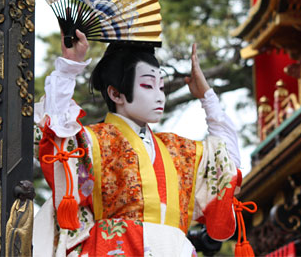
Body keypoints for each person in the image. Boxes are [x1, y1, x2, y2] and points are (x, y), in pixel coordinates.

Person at [33, 30, 242, 256]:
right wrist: (69, 67)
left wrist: (207, 97)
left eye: (161, 87)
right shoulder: (95, 141)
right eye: (147, 86)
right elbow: (56, 132)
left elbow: (227, 164)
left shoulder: (177, 150)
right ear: (115, 94)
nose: (159, 96)